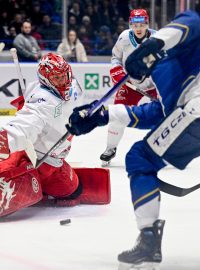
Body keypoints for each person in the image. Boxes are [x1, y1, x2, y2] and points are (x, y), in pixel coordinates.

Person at [66, 10, 200, 269]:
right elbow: (159, 115)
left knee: (140, 158)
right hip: (191, 115)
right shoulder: (160, 75)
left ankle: (148, 239)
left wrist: (154, 45)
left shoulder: (180, 42)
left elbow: (191, 23)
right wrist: (102, 116)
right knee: (142, 156)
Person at [0, 53, 110, 218]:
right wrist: (6, 139)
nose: (63, 82)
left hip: (54, 159)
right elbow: (23, 126)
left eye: (65, 76)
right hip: (37, 158)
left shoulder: (73, 85)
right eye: (57, 78)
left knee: (73, 191)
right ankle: (27, 177)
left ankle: (37, 184)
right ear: (45, 80)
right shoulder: (43, 101)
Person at [100, 9, 157, 166]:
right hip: (130, 84)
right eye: (135, 25)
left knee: (165, 116)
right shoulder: (124, 37)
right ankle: (111, 148)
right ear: (131, 24)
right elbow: (115, 57)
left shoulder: (158, 39)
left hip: (154, 84)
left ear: (147, 24)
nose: (138, 28)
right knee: (117, 115)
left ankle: (161, 150)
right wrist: (116, 70)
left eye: (142, 24)